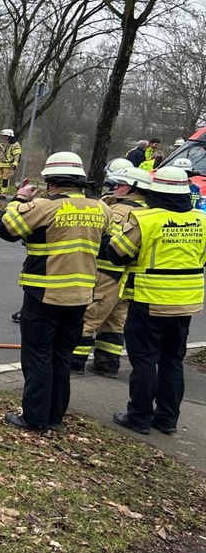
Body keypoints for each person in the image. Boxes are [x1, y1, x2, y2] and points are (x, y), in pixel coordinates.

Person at [0, 151, 114, 433]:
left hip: (44, 294)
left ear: (51, 181)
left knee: (38, 356)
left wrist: (20, 198)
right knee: (62, 356)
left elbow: (5, 229)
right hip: (81, 295)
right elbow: (107, 244)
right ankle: (54, 417)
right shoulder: (102, 209)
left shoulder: (45, 207)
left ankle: (34, 418)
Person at [100, 165, 206, 435]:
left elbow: (117, 254)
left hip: (149, 300)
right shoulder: (201, 219)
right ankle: (167, 419)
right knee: (172, 359)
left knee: (145, 360)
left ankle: (138, 417)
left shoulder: (146, 219)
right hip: (185, 302)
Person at [70, 160, 149, 377]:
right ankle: (107, 363)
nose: (115, 187)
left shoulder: (119, 210)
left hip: (106, 273)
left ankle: (73, 362)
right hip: (130, 280)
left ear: (134, 187)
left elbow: (107, 243)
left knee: (88, 317)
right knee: (115, 321)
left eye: (121, 185)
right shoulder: (150, 212)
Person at [0, 129, 22, 199]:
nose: (4, 137)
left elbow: (17, 155)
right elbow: (0, 154)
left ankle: (3, 195)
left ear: (10, 136)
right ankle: (2, 190)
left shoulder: (15, 145)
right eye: (3, 136)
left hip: (8, 166)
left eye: (5, 136)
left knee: (5, 180)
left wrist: (15, 164)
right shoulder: (1, 144)